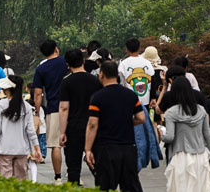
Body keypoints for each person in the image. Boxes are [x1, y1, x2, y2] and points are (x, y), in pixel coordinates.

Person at [85, 60, 145, 192]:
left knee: (105, 186)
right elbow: (141, 118)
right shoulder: (131, 95)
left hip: (106, 149)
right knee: (131, 186)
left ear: (101, 74)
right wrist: (126, 121)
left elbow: (92, 124)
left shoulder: (97, 97)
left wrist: (88, 149)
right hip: (129, 148)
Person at [162, 76, 210, 192]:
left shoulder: (171, 113)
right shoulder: (201, 110)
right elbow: (208, 136)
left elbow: (170, 137)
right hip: (200, 156)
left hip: (180, 156)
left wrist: (161, 134)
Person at [59, 47, 102, 185]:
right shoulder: (95, 81)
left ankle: (74, 186)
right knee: (96, 165)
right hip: (93, 126)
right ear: (83, 61)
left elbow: (64, 108)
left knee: (73, 166)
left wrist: (62, 132)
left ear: (67, 64)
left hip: (73, 127)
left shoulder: (66, 82)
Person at [0, 75, 41, 180]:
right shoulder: (26, 106)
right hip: (22, 150)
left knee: (5, 183)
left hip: (4, 150)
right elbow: (30, 130)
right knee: (21, 182)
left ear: (7, 89)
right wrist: (37, 148)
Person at [33, 39, 67, 184]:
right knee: (73, 144)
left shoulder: (41, 69)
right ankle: (75, 174)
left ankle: (58, 177)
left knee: (55, 145)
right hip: (72, 106)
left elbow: (38, 94)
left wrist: (37, 111)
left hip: (53, 107)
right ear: (56, 49)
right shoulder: (65, 62)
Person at [119, 38, 155, 108]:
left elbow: (121, 82)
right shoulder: (147, 63)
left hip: (129, 101)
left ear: (127, 49)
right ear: (139, 48)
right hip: (145, 100)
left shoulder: (123, 64)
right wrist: (153, 98)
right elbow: (153, 81)